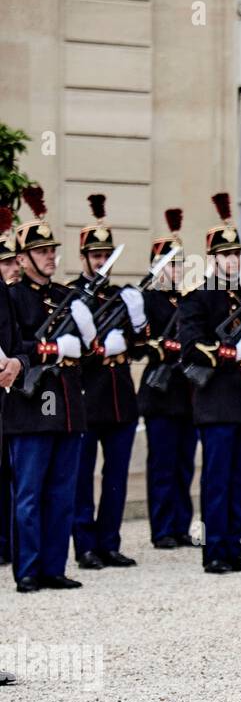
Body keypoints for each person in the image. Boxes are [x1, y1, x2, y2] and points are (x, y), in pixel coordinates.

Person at [178, 193, 241, 574]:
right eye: (226, 254)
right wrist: (232, 352)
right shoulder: (197, 297)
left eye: (237, 253)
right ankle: (213, 550)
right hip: (216, 402)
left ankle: (233, 545)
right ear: (213, 258)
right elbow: (192, 348)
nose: (233, 260)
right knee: (216, 481)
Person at [4, 186, 94, 592]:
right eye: (40, 252)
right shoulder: (10, 297)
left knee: (62, 492)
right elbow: (12, 347)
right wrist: (53, 347)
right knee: (28, 493)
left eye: (52, 251)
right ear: (21, 259)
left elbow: (88, 350)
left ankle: (54, 567)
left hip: (69, 403)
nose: (50, 257)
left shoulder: (68, 296)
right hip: (30, 404)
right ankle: (27, 569)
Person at [69, 194, 147, 570]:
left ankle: (109, 541)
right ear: (83, 258)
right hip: (86, 395)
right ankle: (84, 545)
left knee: (116, 475)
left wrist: (137, 325)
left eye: (106, 255)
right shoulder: (68, 296)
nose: (101, 262)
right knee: (82, 476)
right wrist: (97, 349)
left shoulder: (123, 295)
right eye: (95, 256)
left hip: (120, 395)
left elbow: (142, 345)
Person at [138, 208, 199, 549]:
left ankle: (180, 525)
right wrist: (162, 346)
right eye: (168, 264)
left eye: (178, 264)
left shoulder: (188, 301)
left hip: (186, 392)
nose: (174, 271)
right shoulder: (147, 300)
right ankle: (162, 528)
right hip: (159, 391)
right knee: (162, 463)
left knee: (184, 465)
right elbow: (139, 342)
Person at [0, 208, 27, 570]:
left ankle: (6, 544)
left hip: (8, 397)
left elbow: (21, 342)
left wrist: (18, 362)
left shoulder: (7, 295)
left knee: (9, 475)